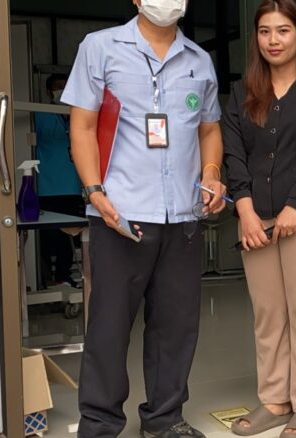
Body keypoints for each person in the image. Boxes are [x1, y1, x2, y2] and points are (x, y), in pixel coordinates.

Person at [63, 0, 227, 436]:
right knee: (109, 325)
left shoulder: (199, 60)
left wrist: (212, 173)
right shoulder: (100, 48)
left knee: (175, 326)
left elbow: (209, 129)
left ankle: (164, 418)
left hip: (183, 214)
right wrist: (94, 190)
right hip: (120, 213)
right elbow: (82, 126)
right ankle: (99, 423)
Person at [222, 1, 296, 437]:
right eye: (265, 31)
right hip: (254, 218)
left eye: (283, 31)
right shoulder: (242, 92)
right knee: (268, 313)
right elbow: (233, 152)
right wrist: (245, 209)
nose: (273, 40)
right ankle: (275, 398)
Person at [35, 73, 84, 288]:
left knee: (69, 236)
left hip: (71, 186)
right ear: (49, 91)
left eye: (65, 86)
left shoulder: (77, 113)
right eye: (57, 87)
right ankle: (46, 278)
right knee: (47, 237)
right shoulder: (40, 113)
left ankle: (63, 276)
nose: (61, 91)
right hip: (47, 186)